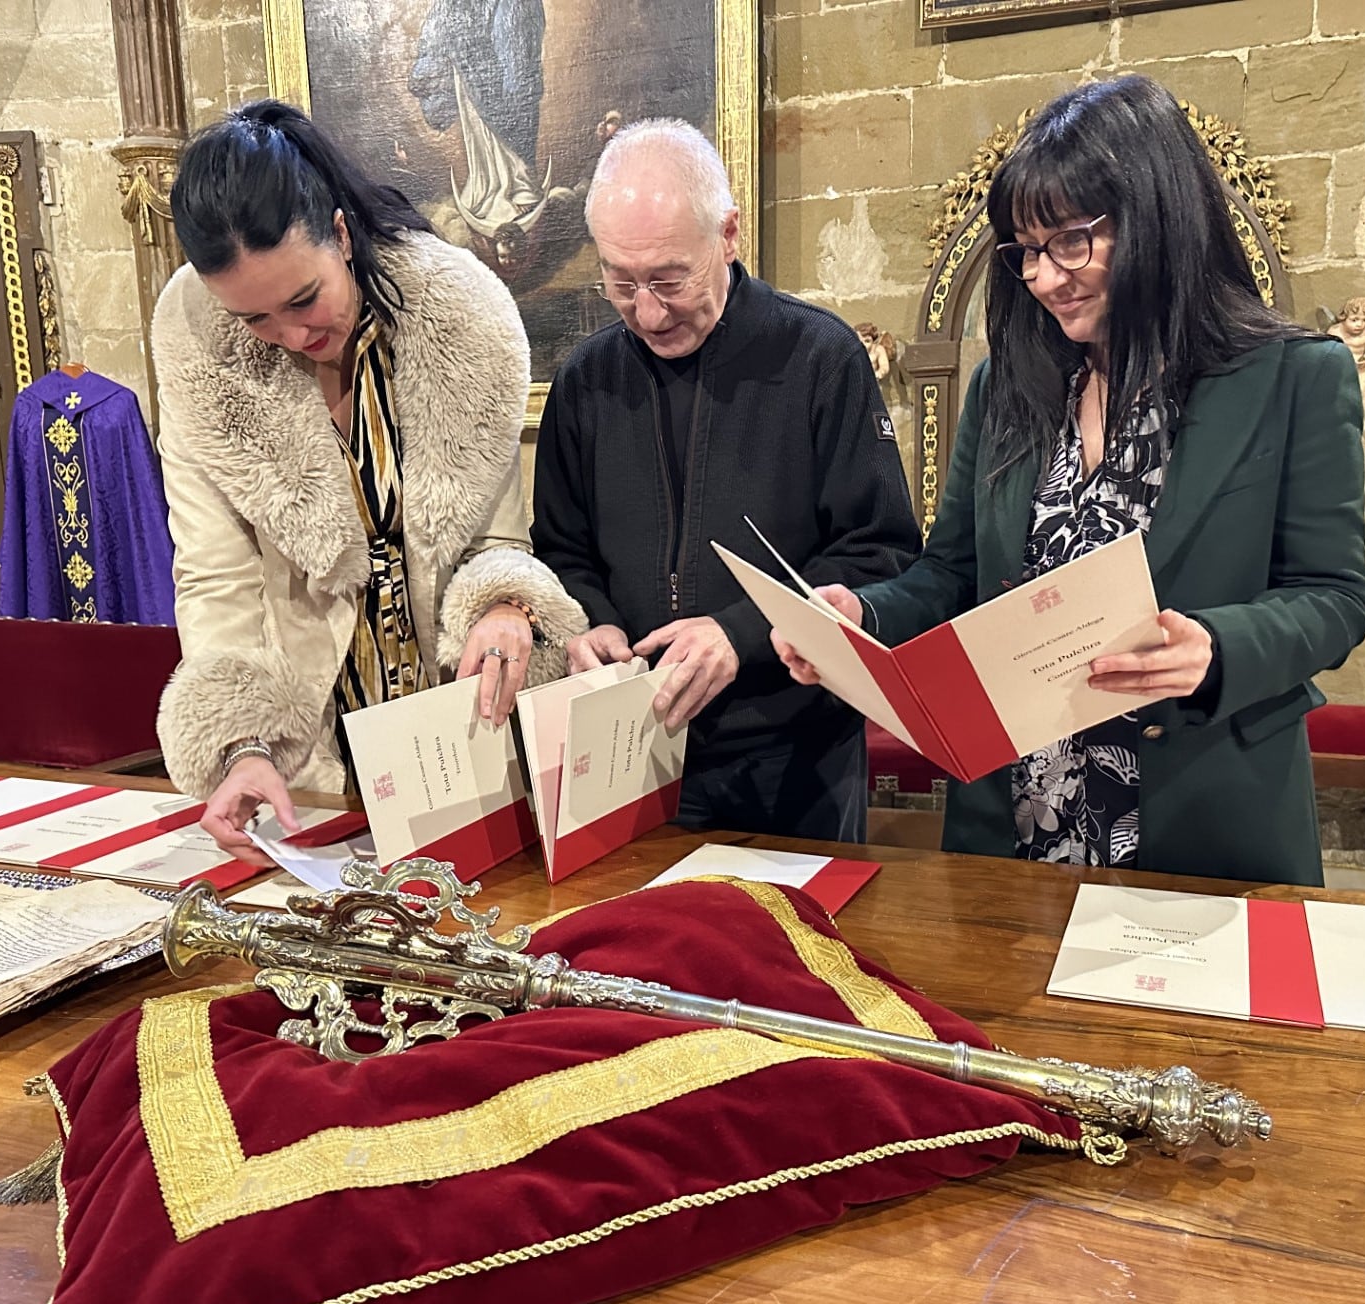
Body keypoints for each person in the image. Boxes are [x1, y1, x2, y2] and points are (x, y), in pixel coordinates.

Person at [773, 75, 1365, 886]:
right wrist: (860, 615)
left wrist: (1220, 648)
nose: (1044, 277)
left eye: (1071, 242)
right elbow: (952, 573)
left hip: (1202, 810)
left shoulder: (1294, 378)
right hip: (1018, 809)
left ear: (1158, 218)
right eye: (1026, 251)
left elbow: (1333, 596)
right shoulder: (1008, 387)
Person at [153, 100, 585, 864]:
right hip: (308, 756)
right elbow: (215, 575)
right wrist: (241, 743)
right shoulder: (198, 350)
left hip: (457, 738)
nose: (293, 336)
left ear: (342, 236)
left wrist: (505, 607)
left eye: (303, 298)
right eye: (255, 319)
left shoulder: (461, 322)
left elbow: (496, 539)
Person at [532, 119, 920, 844]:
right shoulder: (584, 382)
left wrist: (741, 634)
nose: (647, 312)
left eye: (670, 280)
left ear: (729, 234)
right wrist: (591, 620)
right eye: (621, 282)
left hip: (794, 753)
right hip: (629, 752)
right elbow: (560, 551)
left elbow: (881, 555)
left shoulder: (818, 357)